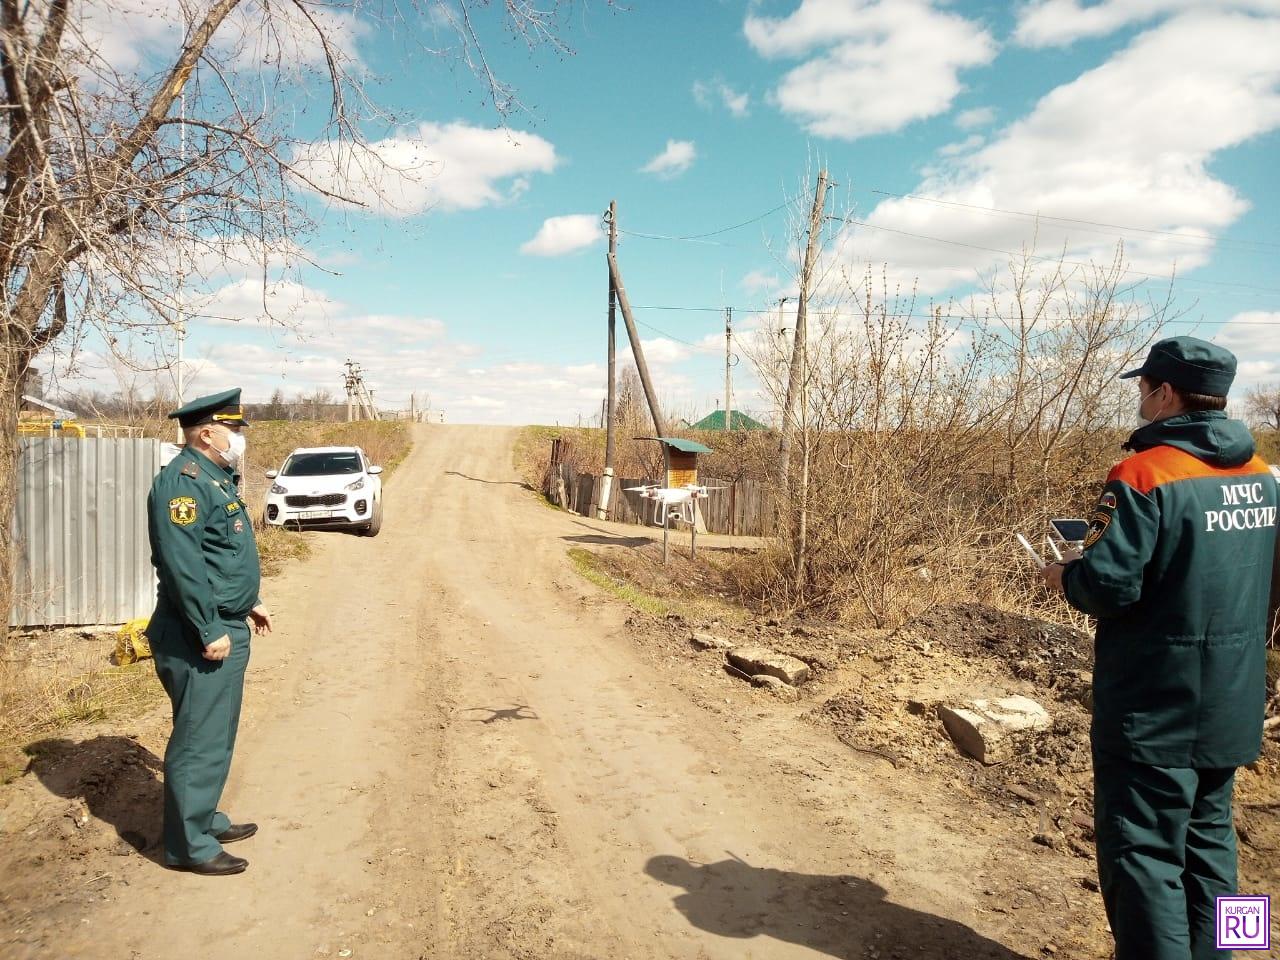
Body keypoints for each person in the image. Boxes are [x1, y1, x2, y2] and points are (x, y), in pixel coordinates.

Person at [1040, 337, 1277, 959]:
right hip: (1232, 700)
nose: (1140, 396)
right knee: (1217, 846)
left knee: (1143, 857)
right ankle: (1234, 953)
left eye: (1144, 386)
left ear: (1165, 393)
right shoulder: (1261, 478)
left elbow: (1109, 587)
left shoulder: (1144, 473)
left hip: (1153, 706)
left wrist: (1067, 574)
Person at [145, 388, 272, 876]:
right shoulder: (183, 483)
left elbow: (222, 554)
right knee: (198, 737)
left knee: (216, 731)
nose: (238, 437)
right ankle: (188, 845)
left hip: (223, 622)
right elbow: (184, 566)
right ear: (207, 432)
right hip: (197, 634)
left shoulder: (216, 479)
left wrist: (249, 602)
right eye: (233, 429)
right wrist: (207, 625)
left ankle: (204, 816)